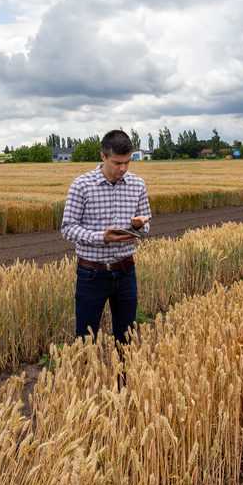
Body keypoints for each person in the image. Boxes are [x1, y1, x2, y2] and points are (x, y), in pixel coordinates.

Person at [61, 129, 151, 345]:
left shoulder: (137, 184)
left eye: (127, 162)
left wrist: (138, 225)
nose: (123, 168)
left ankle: (124, 379)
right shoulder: (81, 185)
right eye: (117, 162)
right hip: (92, 273)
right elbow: (67, 228)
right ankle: (84, 379)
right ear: (103, 156)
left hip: (126, 271)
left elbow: (147, 227)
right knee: (85, 339)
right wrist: (102, 237)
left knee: (126, 338)